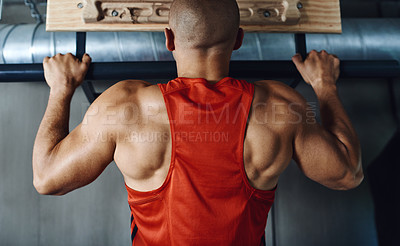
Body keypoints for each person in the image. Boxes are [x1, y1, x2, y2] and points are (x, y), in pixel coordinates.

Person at [33, 0, 364, 245]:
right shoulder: (282, 106)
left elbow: (47, 179)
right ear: (238, 39)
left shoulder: (124, 107)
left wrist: (61, 90)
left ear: (169, 40)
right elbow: (348, 173)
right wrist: (324, 87)